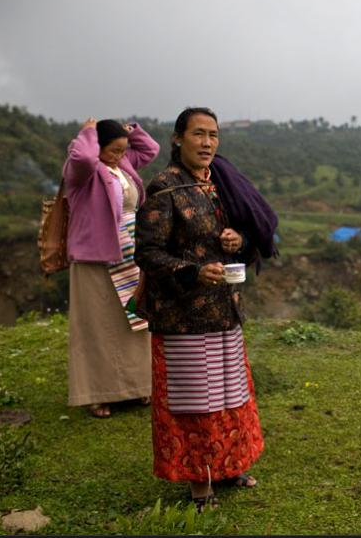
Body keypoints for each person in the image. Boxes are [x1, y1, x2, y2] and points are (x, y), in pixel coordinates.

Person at [135, 106, 278, 510]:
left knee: (230, 395)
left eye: (213, 135)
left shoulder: (221, 184)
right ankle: (201, 485)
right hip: (183, 318)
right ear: (177, 139)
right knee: (195, 401)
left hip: (224, 311)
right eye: (198, 134)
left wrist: (239, 242)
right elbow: (147, 253)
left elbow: (249, 239)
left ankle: (230, 465)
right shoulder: (164, 189)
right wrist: (193, 272)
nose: (207, 143)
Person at [63, 117, 160, 418]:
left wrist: (132, 130)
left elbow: (150, 150)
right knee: (98, 326)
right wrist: (88, 131)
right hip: (96, 258)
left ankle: (138, 385)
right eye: (114, 150)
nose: (120, 155)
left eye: (123, 150)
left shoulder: (122, 165)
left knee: (135, 318)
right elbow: (82, 155)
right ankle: (99, 394)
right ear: (98, 146)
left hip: (130, 252)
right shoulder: (84, 171)